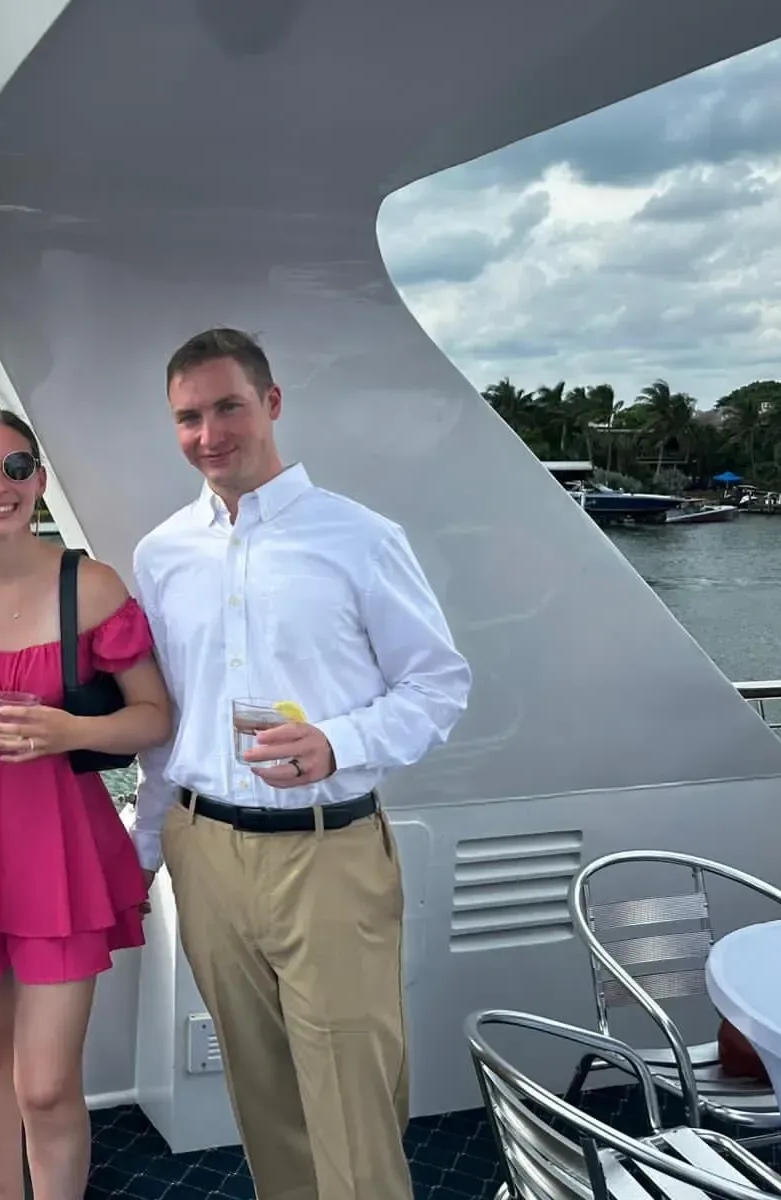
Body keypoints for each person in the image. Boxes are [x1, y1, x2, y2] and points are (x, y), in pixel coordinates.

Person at [131, 328, 472, 1200]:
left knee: (354, 1096)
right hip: (204, 851)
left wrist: (337, 743)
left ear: (272, 403)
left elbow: (438, 684)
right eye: (189, 417)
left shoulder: (360, 538)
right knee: (262, 1094)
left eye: (228, 407)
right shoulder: (162, 554)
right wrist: (145, 849)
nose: (210, 434)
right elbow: (169, 722)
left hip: (329, 852)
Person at [0, 409, 172, 1200]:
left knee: (47, 1084)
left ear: (40, 481)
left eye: (16, 467)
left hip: (61, 841)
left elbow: (154, 718)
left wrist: (70, 730)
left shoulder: (92, 586)